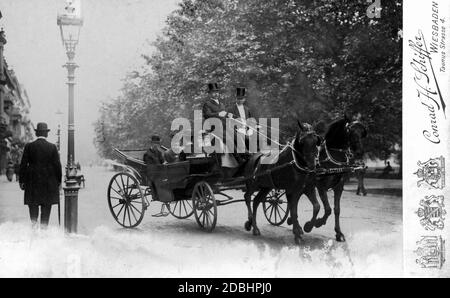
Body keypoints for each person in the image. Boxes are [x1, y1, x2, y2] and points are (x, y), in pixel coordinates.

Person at [19, 123, 62, 228]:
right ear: (46, 134)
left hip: (32, 182)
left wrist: (22, 181)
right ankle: (44, 231)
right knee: (46, 209)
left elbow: (23, 165)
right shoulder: (52, 147)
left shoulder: (29, 146)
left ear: (37, 133)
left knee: (33, 209)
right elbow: (57, 166)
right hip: (48, 183)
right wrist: (59, 182)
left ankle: (33, 230)